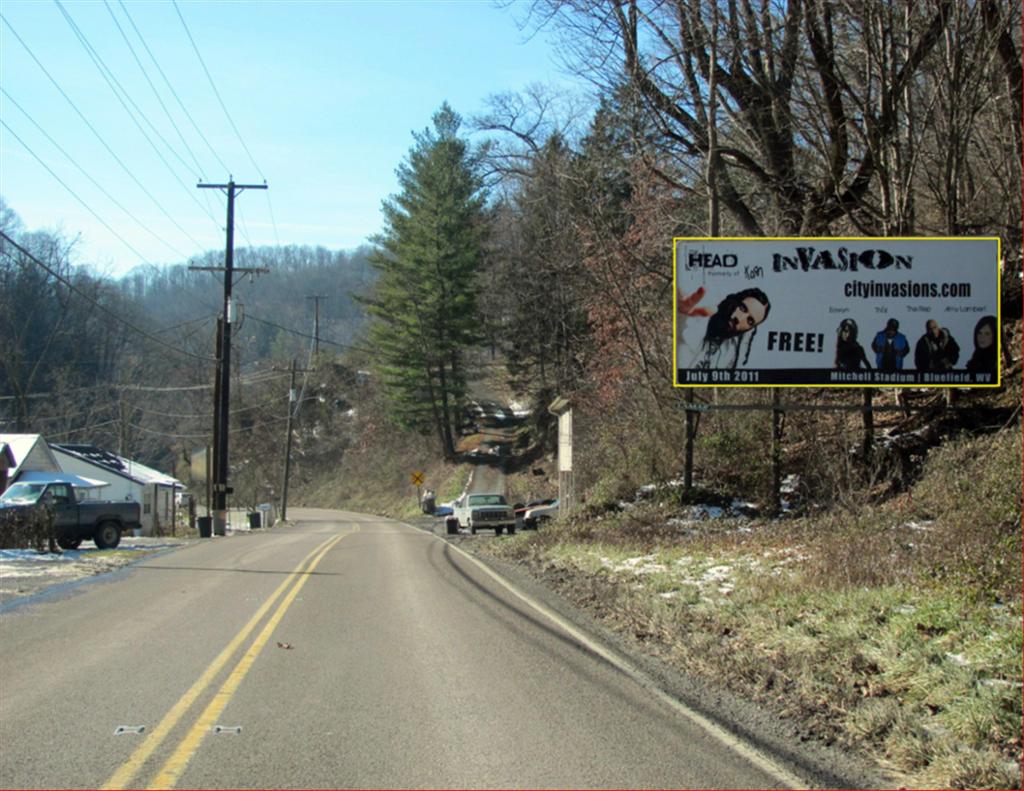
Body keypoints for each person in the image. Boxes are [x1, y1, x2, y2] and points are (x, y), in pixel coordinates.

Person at [678, 286, 771, 369]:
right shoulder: (694, 318)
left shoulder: (731, 353)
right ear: (734, 300)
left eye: (749, 321)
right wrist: (680, 310)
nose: (739, 318)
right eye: (742, 308)